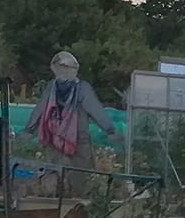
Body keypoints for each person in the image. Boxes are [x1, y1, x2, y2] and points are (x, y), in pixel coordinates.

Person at [22, 51, 119, 194]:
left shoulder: (55, 87)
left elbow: (40, 109)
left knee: (62, 172)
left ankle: (62, 201)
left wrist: (29, 130)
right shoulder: (78, 88)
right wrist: (110, 130)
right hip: (74, 140)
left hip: (60, 138)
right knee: (79, 175)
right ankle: (72, 204)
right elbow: (95, 110)